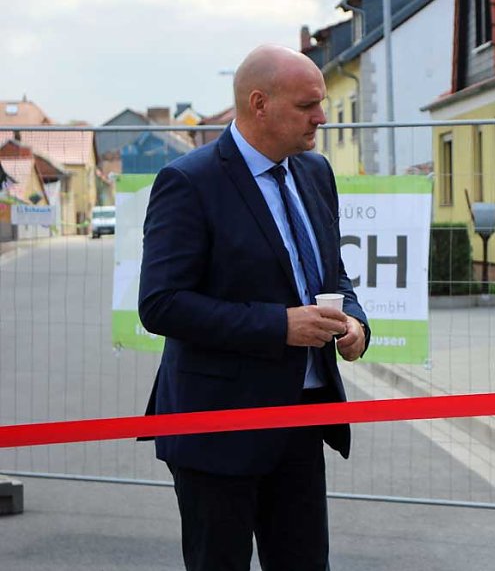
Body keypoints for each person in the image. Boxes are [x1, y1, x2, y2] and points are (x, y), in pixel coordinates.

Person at [138, 45, 370, 571]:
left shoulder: (315, 173)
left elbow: (331, 274)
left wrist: (354, 321)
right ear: (260, 103)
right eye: (307, 104)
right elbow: (161, 303)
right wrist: (278, 325)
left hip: (301, 416)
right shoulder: (189, 181)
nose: (322, 116)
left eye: (322, 102)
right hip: (217, 427)